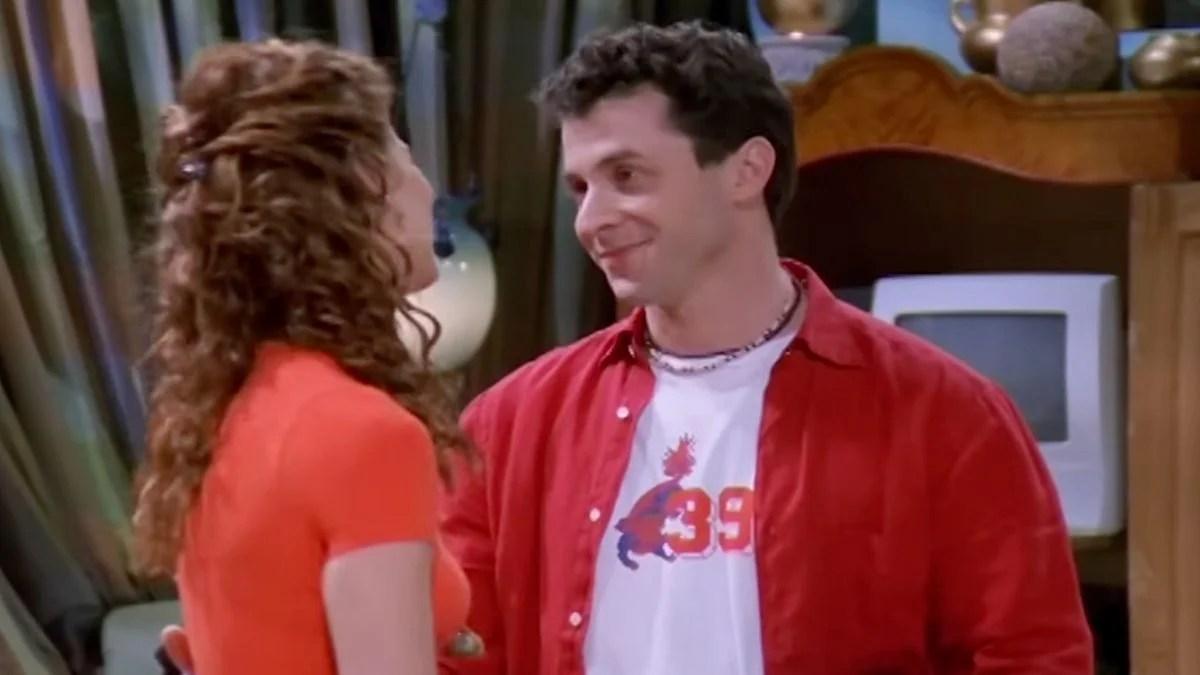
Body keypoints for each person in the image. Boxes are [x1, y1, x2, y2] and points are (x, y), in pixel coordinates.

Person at [159, 21, 1093, 675]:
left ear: (747, 170)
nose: (594, 219)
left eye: (628, 175)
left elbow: (1031, 656)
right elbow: (448, 652)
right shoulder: (513, 422)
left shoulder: (943, 413)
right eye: (580, 187)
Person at [133, 39, 479, 675]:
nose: (427, 188)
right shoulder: (366, 433)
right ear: (359, 190)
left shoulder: (214, 416)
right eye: (405, 157)